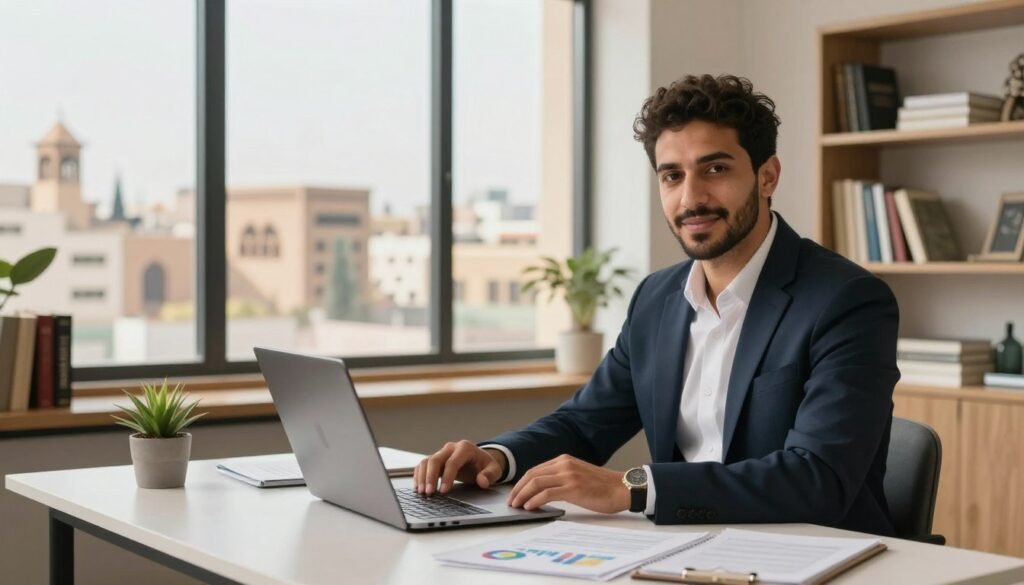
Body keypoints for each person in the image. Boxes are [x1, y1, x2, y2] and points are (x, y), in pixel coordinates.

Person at [413, 74, 899, 536]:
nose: (692, 198)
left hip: (815, 554)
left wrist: (633, 487)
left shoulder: (846, 301)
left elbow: (819, 479)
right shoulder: (656, 299)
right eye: (672, 176)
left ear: (767, 176)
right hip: (682, 545)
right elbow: (585, 424)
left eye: (716, 169)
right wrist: (498, 457)